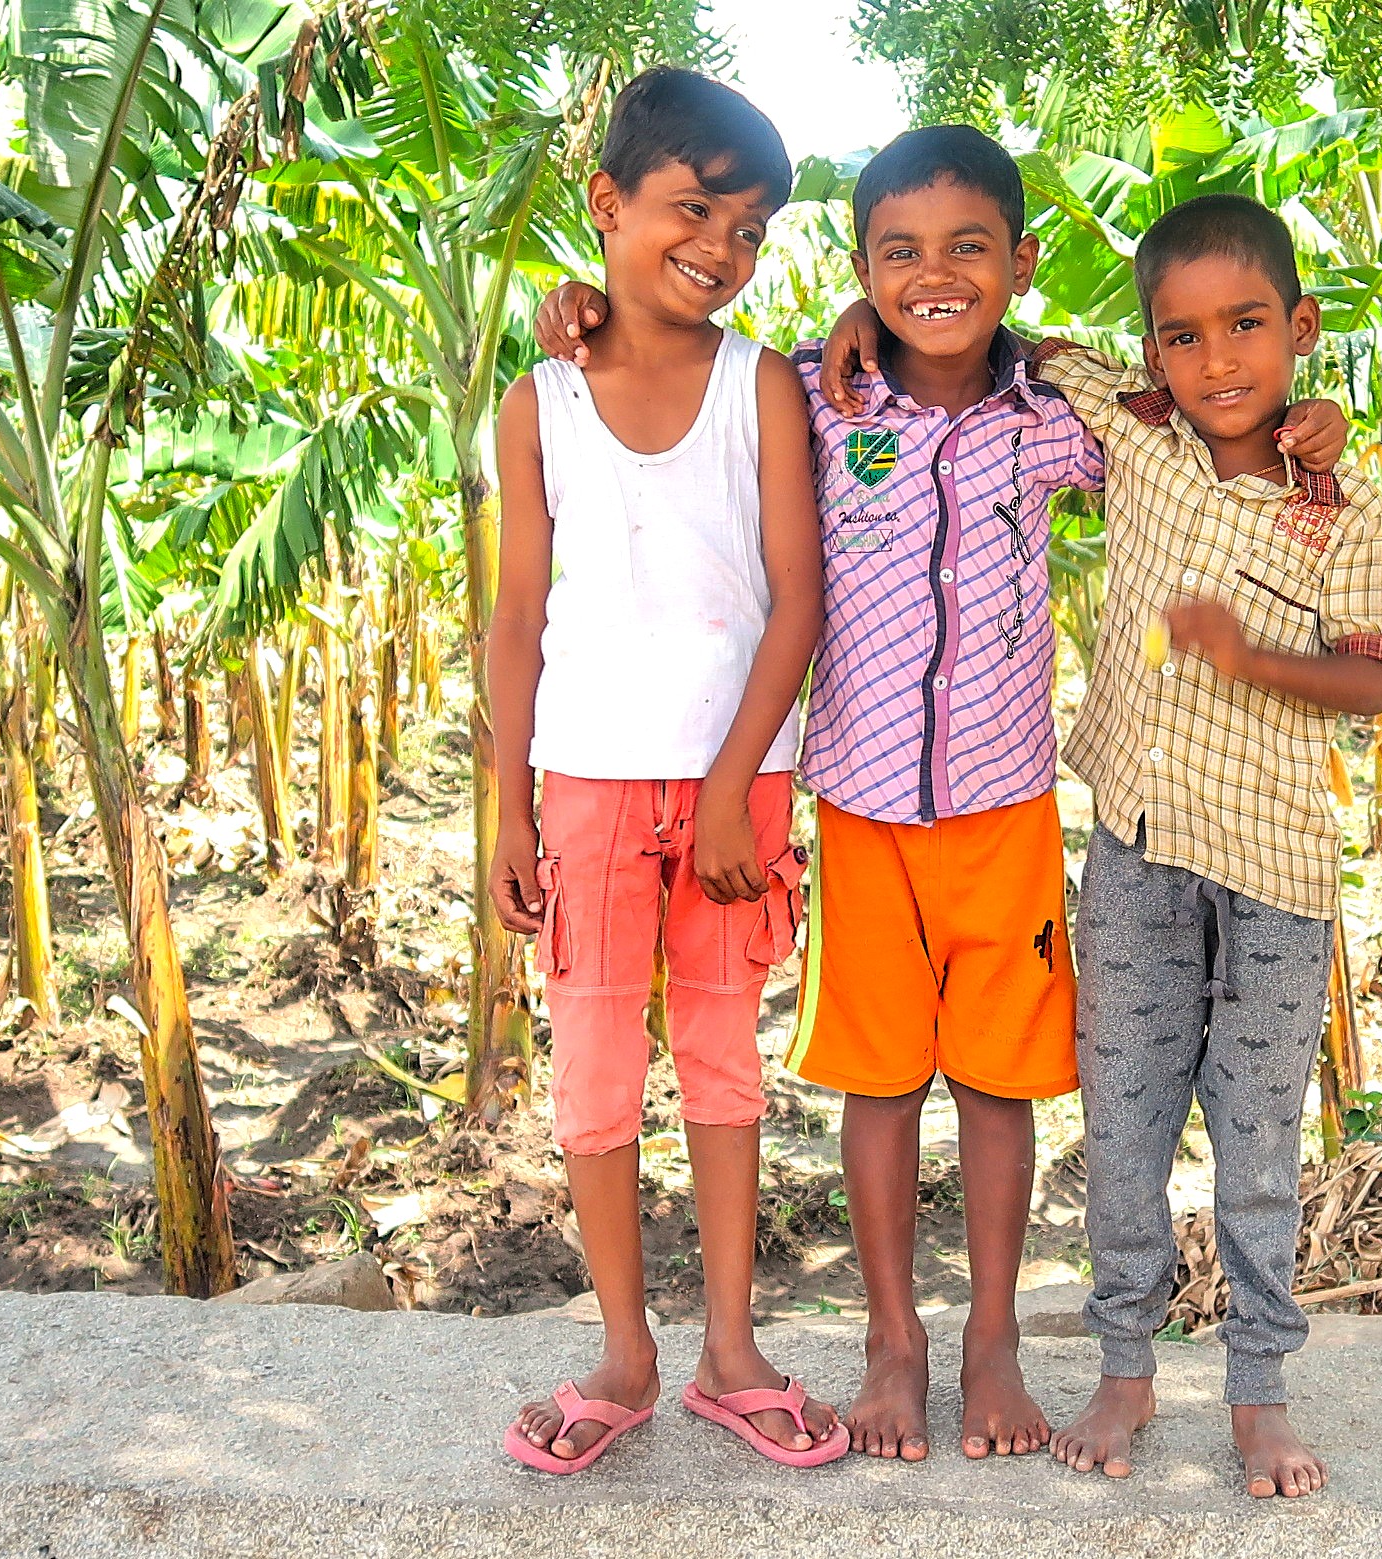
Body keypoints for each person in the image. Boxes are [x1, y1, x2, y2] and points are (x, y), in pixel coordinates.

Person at [536, 131, 1349, 1465]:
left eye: (969, 247)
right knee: (875, 1081)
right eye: (896, 254)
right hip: (857, 808)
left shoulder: (1060, 416)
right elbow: (658, 352)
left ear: (1020, 263)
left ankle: (988, 1342)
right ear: (856, 269)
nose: (933, 277)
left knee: (992, 1084)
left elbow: (1203, 413)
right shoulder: (808, 394)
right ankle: (891, 1343)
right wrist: (568, 305)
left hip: (1003, 805)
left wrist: (1305, 421)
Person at [845, 192, 1382, 1498]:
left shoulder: (1342, 502)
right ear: (1149, 351)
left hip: (1273, 875)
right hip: (1134, 854)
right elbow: (991, 333)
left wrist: (1253, 655)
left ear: (1301, 329)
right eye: (1184, 337)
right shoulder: (1134, 437)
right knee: (1124, 1125)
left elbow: (1380, 682)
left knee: (1258, 1146)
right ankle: (1124, 1371)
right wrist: (859, 314)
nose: (1217, 362)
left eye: (1247, 329)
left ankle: (1259, 1396)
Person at [490, 66, 841, 1474]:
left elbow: (795, 600)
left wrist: (726, 789)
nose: (719, 248)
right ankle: (623, 1355)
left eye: (749, 229)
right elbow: (515, 618)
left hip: (736, 791)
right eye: (692, 210)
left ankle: (733, 1352)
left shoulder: (763, 383)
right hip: (579, 783)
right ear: (607, 206)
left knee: (720, 1066)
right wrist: (500, 809)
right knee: (590, 1078)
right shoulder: (539, 402)